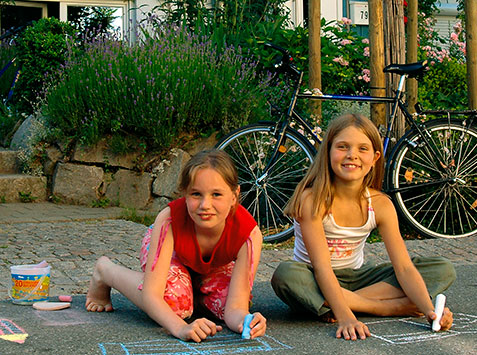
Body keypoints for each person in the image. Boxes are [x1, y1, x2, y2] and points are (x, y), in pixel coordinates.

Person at [271, 114, 456, 340]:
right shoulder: (312, 200)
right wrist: (347, 317)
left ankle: (341, 302)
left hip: (357, 278)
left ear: (375, 157)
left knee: (442, 268)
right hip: (312, 278)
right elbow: (321, 268)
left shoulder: (380, 204)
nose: (352, 155)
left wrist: (429, 311)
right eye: (342, 147)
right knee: (285, 275)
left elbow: (404, 269)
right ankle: (382, 307)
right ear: (328, 151)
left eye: (362, 149)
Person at [86, 149, 266, 342]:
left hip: (210, 267)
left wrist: (247, 321)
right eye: (196, 194)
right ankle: (105, 271)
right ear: (184, 194)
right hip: (173, 252)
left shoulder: (249, 235)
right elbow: (151, 295)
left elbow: (236, 307)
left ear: (234, 195)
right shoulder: (169, 221)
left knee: (222, 306)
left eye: (216, 194)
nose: (205, 204)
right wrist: (181, 328)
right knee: (174, 303)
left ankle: (193, 290)